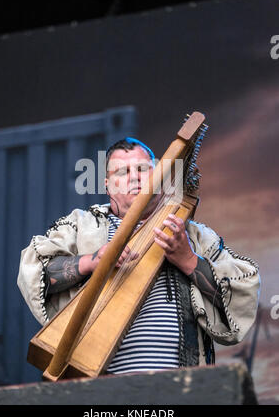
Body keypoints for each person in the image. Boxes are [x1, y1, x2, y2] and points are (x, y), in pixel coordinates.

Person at [17, 137, 260, 373]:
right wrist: (94, 261)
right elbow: (37, 272)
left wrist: (188, 259)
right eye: (122, 172)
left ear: (160, 176)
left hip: (179, 388)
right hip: (101, 391)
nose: (134, 177)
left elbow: (238, 299)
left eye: (143, 169)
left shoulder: (194, 235)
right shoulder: (81, 225)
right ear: (107, 184)